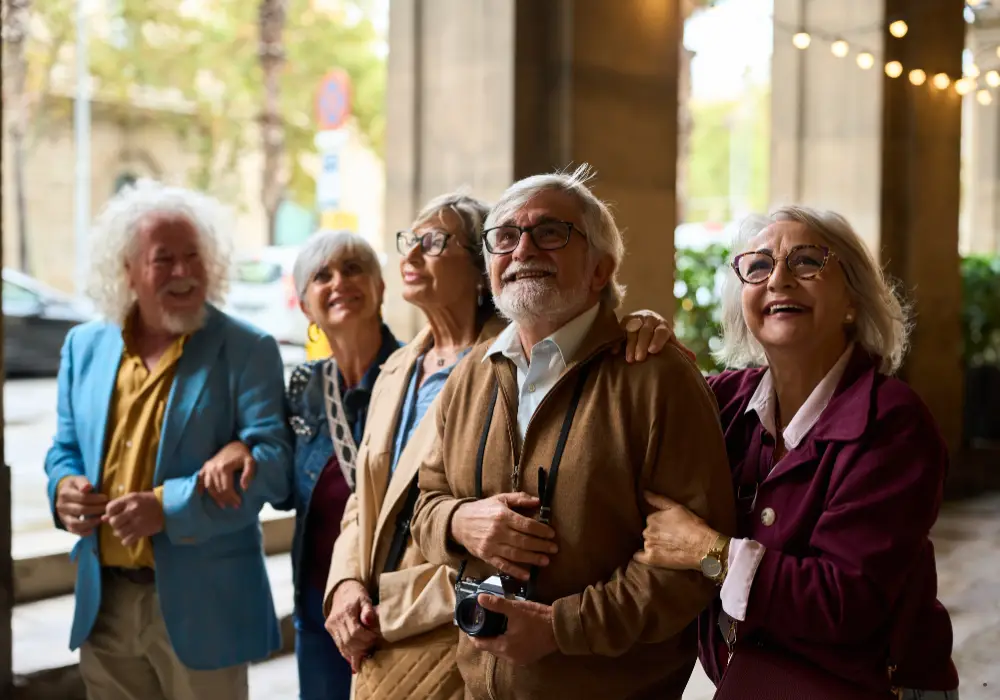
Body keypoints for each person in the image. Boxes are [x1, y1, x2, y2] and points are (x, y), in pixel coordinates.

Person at [321, 191, 672, 700]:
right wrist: (347, 584)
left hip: (456, 626)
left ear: (476, 267)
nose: (412, 254)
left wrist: (391, 606)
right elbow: (370, 496)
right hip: (378, 620)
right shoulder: (400, 366)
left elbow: (531, 532)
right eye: (409, 240)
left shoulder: (521, 358)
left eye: (433, 241)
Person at [409, 168, 736, 700]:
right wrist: (459, 521)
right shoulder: (472, 374)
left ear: (600, 268)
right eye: (505, 237)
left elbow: (687, 567)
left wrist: (560, 628)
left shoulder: (657, 378)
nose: (523, 250)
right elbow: (425, 503)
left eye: (550, 232)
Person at [637, 206, 959, 699]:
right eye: (759, 266)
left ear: (851, 299)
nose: (778, 279)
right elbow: (622, 434)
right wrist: (638, 339)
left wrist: (708, 552)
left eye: (807, 261)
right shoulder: (724, 401)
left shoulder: (893, 422)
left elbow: (846, 603)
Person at [43, 180, 292, 700]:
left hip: (207, 608)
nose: (183, 272)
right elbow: (64, 449)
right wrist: (62, 487)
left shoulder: (247, 348)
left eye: (193, 256)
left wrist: (167, 507)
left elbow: (273, 466)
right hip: (105, 604)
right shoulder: (83, 346)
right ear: (128, 271)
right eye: (164, 259)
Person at [200, 230, 400, 700]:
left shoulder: (418, 375)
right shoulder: (305, 386)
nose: (339, 282)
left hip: (392, 605)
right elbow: (282, 487)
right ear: (307, 306)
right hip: (319, 603)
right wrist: (242, 447)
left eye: (353, 269)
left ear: (379, 288)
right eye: (322, 276)